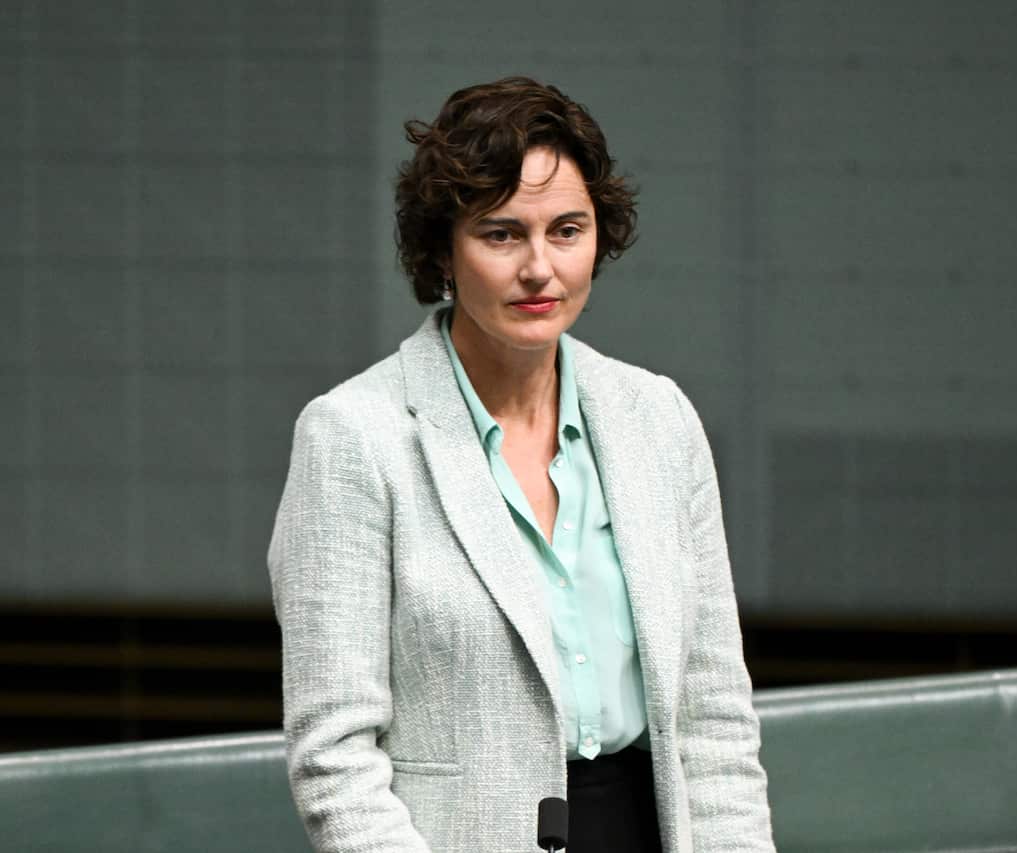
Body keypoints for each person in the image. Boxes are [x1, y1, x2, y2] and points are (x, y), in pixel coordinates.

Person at [268, 76, 774, 853]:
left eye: (567, 229)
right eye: (502, 234)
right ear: (442, 249)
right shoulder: (354, 437)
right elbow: (334, 758)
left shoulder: (659, 418)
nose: (541, 267)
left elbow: (714, 719)